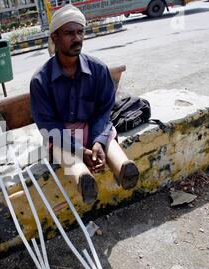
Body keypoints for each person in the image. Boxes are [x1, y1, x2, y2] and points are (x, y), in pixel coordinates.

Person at [30, 4, 139, 204]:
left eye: (80, 32)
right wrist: (82, 151)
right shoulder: (40, 81)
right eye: (69, 33)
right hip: (61, 136)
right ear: (55, 37)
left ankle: (124, 169)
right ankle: (83, 180)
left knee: (109, 141)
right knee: (64, 152)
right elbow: (49, 127)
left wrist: (97, 141)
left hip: (93, 128)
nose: (77, 38)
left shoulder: (98, 69)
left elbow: (103, 112)